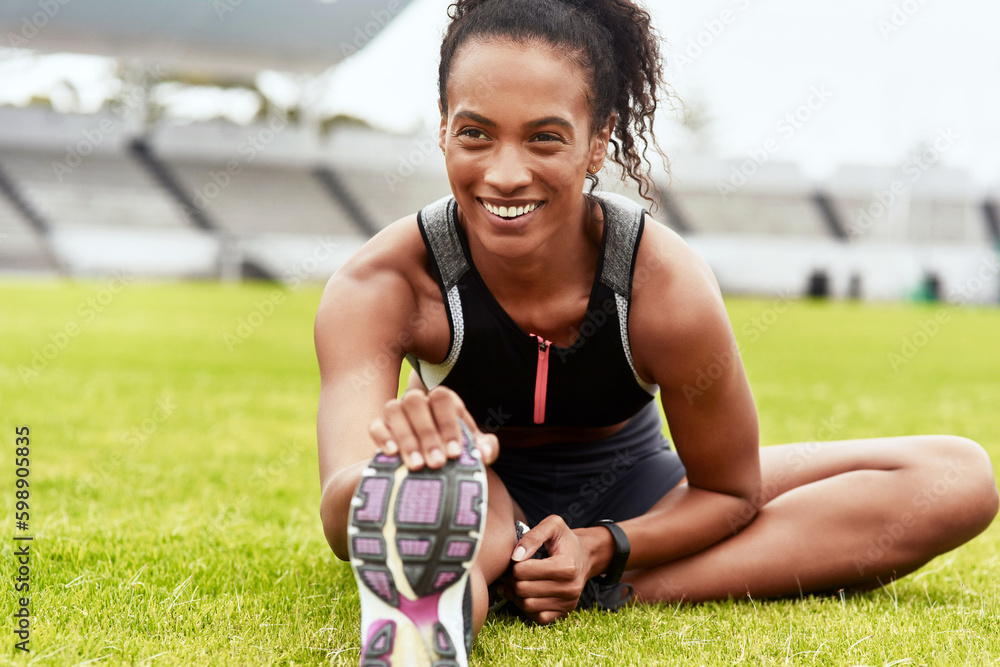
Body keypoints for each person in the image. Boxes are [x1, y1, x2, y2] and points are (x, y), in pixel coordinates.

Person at [314, 0, 1000, 664]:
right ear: (441, 128)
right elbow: (339, 510)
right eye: (475, 133)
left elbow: (727, 492)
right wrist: (397, 474)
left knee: (956, 476)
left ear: (597, 141)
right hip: (477, 489)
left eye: (545, 137)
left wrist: (604, 545)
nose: (504, 172)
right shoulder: (381, 283)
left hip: (639, 491)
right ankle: (446, 597)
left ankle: (582, 587)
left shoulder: (662, 281)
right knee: (460, 515)